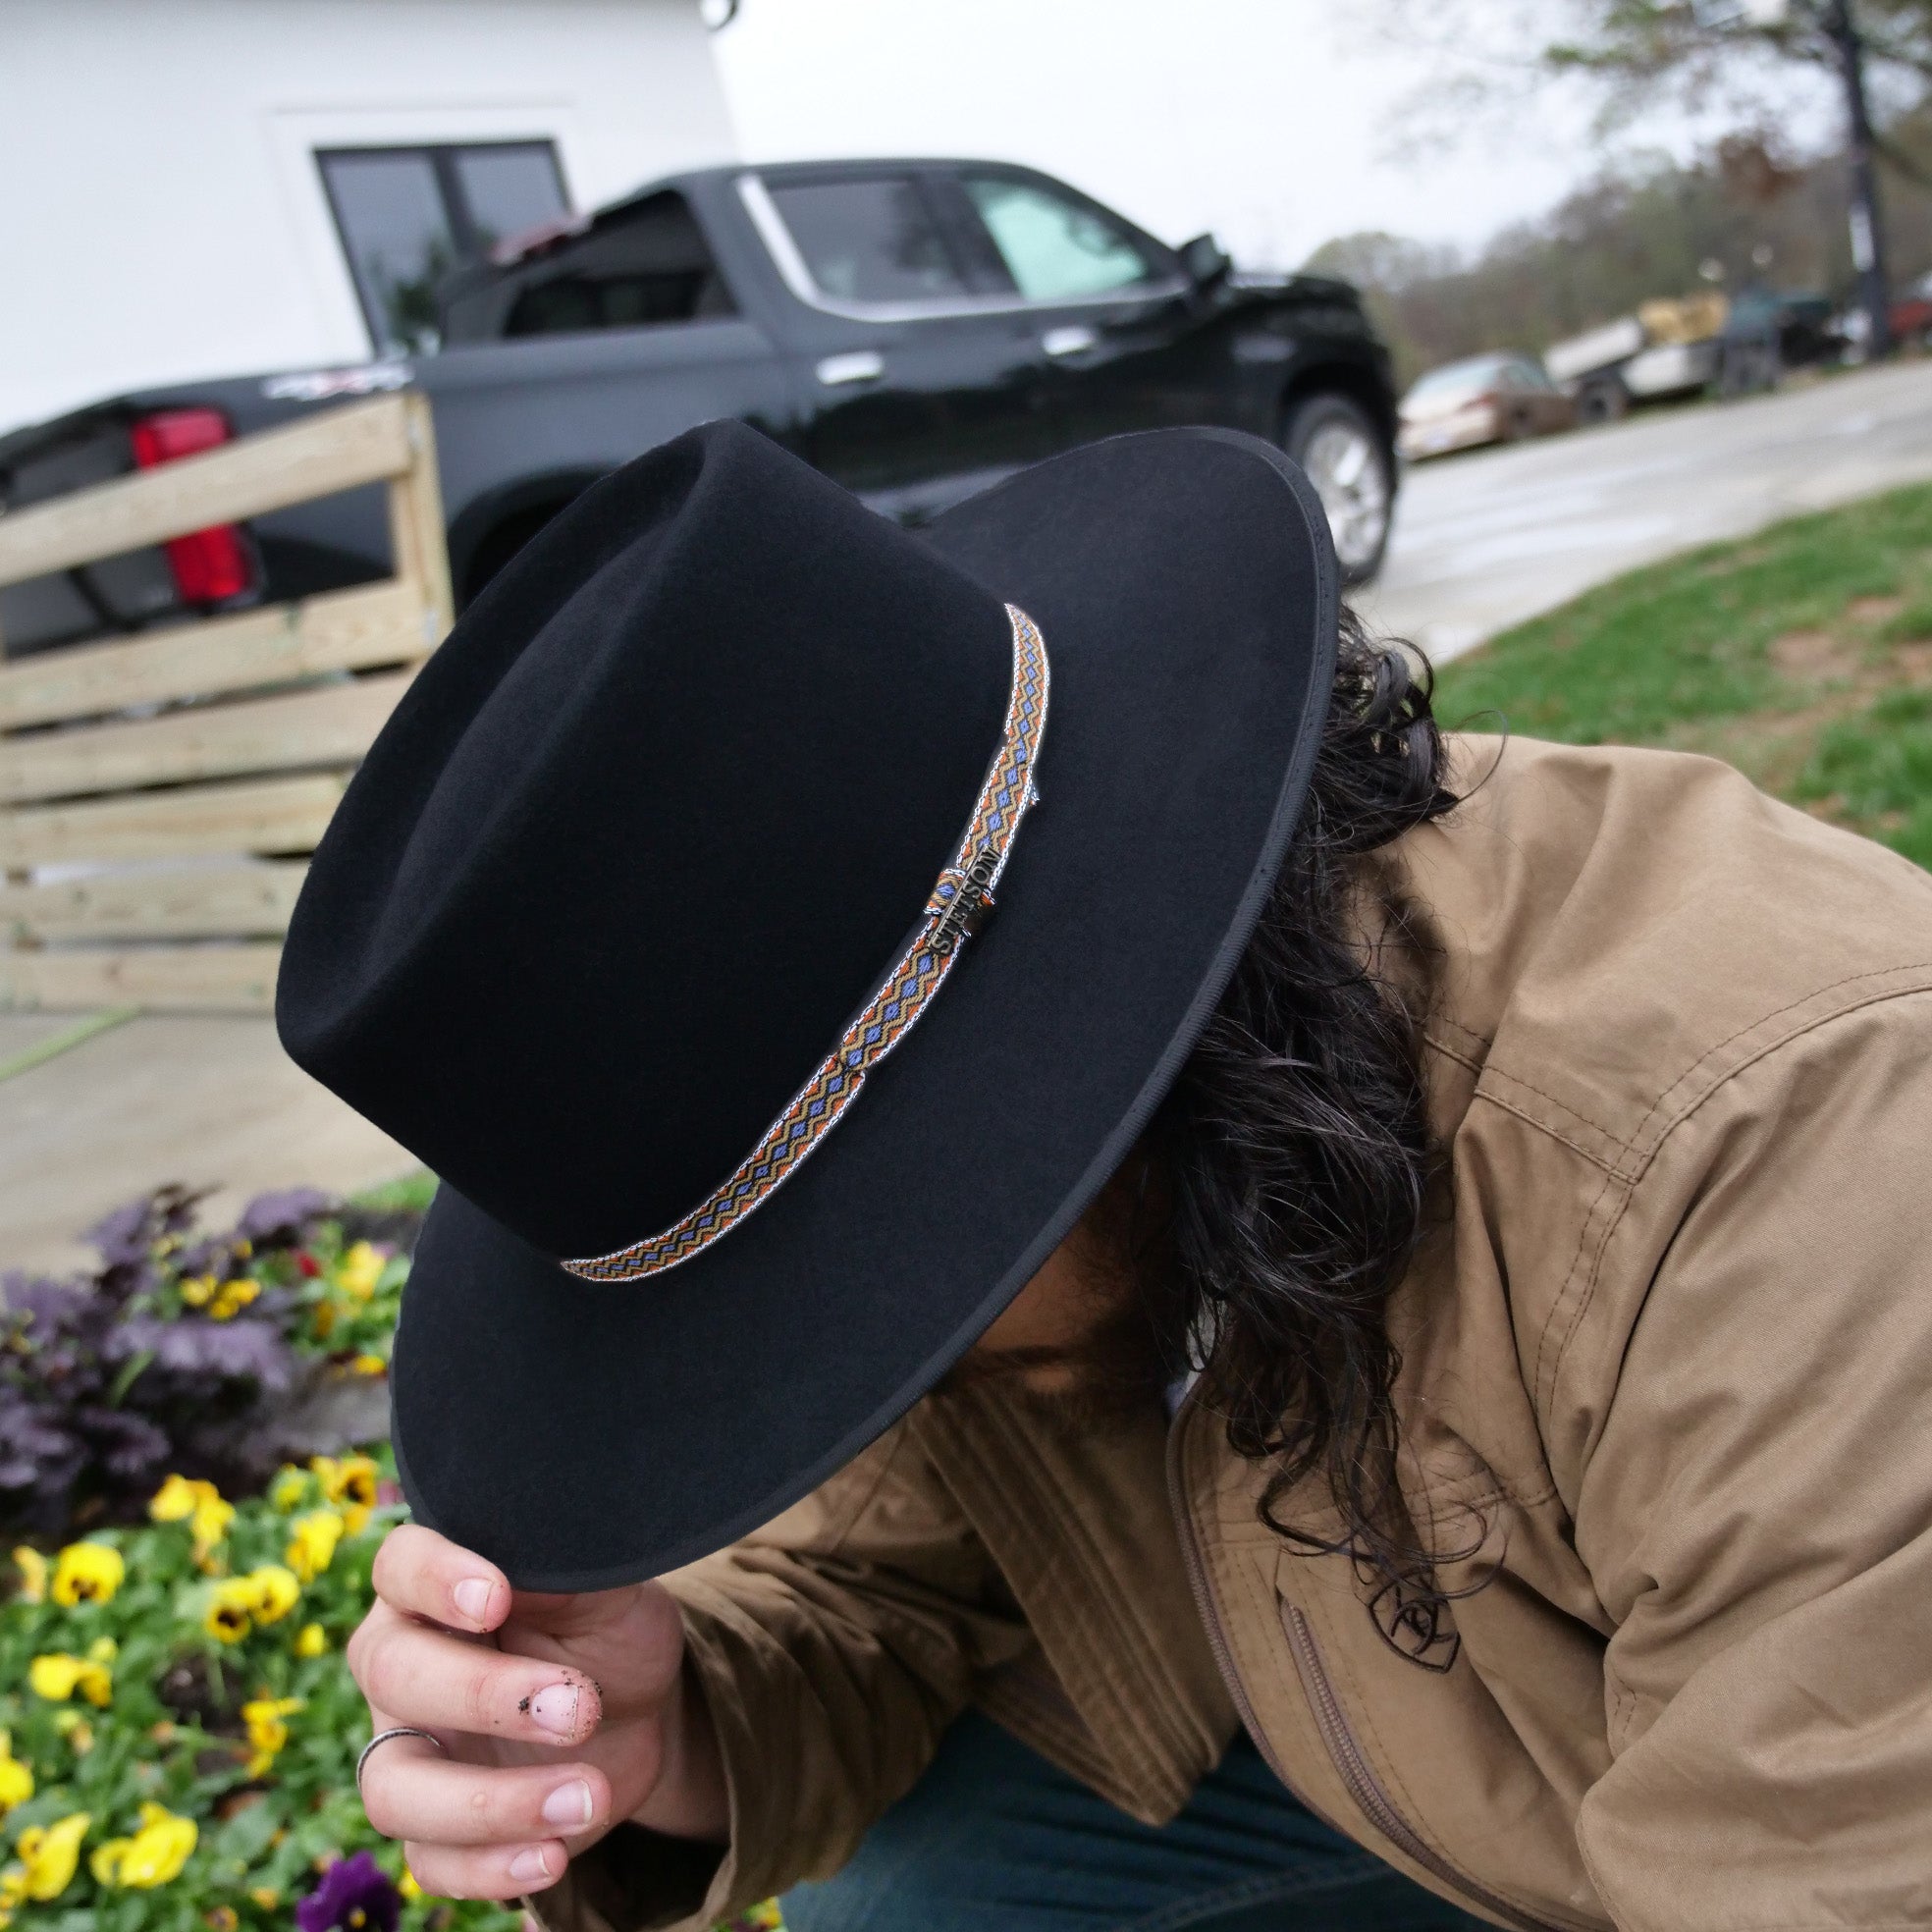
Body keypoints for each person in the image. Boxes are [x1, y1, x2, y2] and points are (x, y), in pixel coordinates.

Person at [279, 420, 1932, 1932]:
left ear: (1022, 1091)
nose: (835, 1373)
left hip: (1678, 1816)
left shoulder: (1780, 1176)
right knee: (905, 1904)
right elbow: (880, 1577)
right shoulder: (1064, 1138)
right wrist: (673, 1724)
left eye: (818, 1298)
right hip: (1406, 1749)